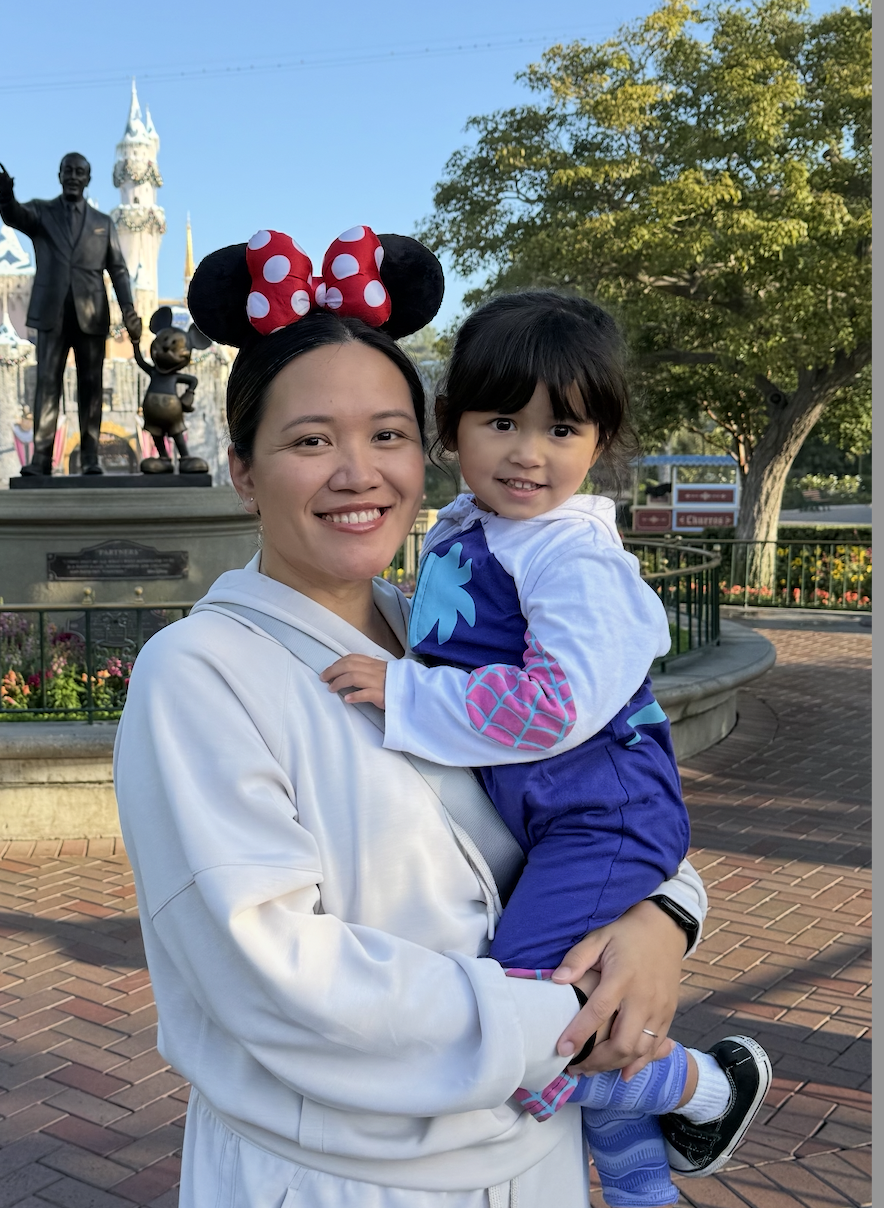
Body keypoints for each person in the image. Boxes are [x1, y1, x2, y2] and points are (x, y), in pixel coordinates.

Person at [113, 227, 709, 1206]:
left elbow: (596, 792)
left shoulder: (453, 638)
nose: (359, 472)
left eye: (387, 435)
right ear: (244, 469)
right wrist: (559, 1017)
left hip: (538, 1158)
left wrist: (661, 918)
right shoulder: (199, 675)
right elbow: (273, 972)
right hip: (347, 1179)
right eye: (311, 440)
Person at [319, 292, 770, 1206]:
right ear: (452, 427)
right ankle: (647, 1189)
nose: (528, 452)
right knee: (582, 1000)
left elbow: (556, 704)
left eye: (561, 428)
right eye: (502, 422)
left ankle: (705, 1087)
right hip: (559, 816)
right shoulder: (475, 527)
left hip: (602, 814)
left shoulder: (570, 557)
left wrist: (407, 692)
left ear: (597, 443)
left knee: (529, 1016)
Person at [0, 152, 144, 475]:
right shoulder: (42, 212)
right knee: (47, 384)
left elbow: (118, 269)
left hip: (92, 314)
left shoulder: (103, 223)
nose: (74, 176)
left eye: (80, 172)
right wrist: (6, 196)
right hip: (52, 314)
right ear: (59, 175)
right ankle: (41, 459)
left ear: (88, 179)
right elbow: (15, 216)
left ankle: (90, 458)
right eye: (68, 171)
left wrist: (128, 308)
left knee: (91, 387)